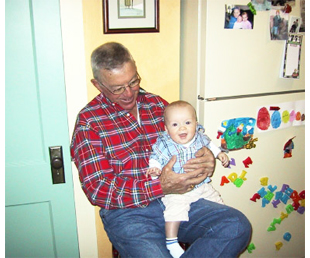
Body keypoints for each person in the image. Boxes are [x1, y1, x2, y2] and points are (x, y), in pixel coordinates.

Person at [71, 42, 252, 258]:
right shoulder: (89, 122)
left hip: (183, 199)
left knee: (237, 226)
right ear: (98, 85)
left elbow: (194, 133)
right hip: (129, 215)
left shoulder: (157, 105)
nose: (129, 93)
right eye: (118, 88)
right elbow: (98, 189)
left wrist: (208, 158)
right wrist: (160, 187)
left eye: (133, 81)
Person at [147, 100, 229, 258]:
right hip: (177, 190)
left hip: (202, 185)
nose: (182, 128)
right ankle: (171, 241)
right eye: (175, 125)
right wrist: (155, 168)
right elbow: (155, 157)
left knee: (218, 204)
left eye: (187, 123)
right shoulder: (165, 143)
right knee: (174, 211)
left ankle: (212, 235)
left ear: (196, 124)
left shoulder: (200, 138)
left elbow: (211, 146)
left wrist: (219, 154)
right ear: (166, 128)